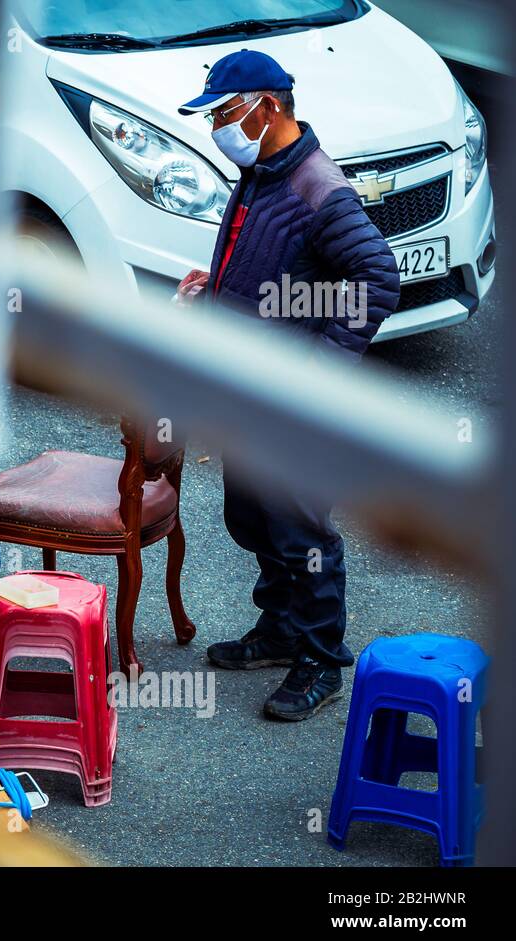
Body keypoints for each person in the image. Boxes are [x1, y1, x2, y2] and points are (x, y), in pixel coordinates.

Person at [177, 50, 400, 720]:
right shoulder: (261, 172)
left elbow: (378, 277)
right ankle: (278, 631)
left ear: (266, 106)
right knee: (250, 516)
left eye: (224, 112)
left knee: (300, 527)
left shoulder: (316, 187)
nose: (217, 124)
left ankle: (320, 658)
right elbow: (270, 264)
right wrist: (212, 291)